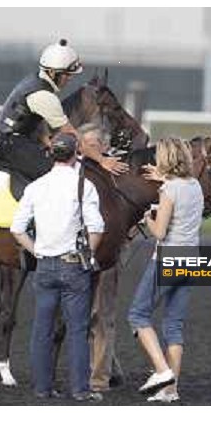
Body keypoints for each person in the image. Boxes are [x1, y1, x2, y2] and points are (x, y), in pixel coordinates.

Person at [10, 132, 104, 401]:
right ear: (77, 154)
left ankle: (42, 388)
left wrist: (36, 250)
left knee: (42, 329)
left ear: (52, 154)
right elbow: (96, 228)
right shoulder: (83, 186)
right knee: (77, 330)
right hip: (74, 265)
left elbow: (16, 229)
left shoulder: (36, 187)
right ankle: (80, 390)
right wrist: (90, 255)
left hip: (45, 266)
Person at [127, 137, 203, 403]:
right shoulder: (194, 186)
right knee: (174, 325)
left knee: (137, 315)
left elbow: (159, 232)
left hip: (168, 258)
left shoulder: (168, 191)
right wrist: (163, 178)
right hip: (192, 258)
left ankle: (162, 372)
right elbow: (179, 188)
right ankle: (171, 391)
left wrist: (148, 216)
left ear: (166, 159)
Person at [0, 39, 128, 180]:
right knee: (57, 175)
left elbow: (37, 122)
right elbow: (73, 136)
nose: (69, 78)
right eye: (67, 74)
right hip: (13, 146)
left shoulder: (36, 80)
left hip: (14, 140)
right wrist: (102, 160)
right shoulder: (45, 96)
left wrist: (47, 142)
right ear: (52, 73)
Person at [77, 123, 125, 392]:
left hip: (105, 255)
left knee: (101, 316)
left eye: (91, 145)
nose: (84, 149)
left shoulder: (117, 173)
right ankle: (102, 369)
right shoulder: (74, 171)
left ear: (105, 147)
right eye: (81, 144)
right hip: (77, 255)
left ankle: (99, 379)